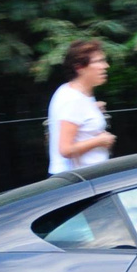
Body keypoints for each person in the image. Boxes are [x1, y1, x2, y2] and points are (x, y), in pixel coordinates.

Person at [47, 39, 116, 174]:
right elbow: (65, 150)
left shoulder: (78, 94)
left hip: (88, 177)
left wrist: (92, 108)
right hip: (78, 181)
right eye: (99, 61)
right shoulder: (72, 99)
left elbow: (78, 118)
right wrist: (100, 141)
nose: (105, 66)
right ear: (79, 67)